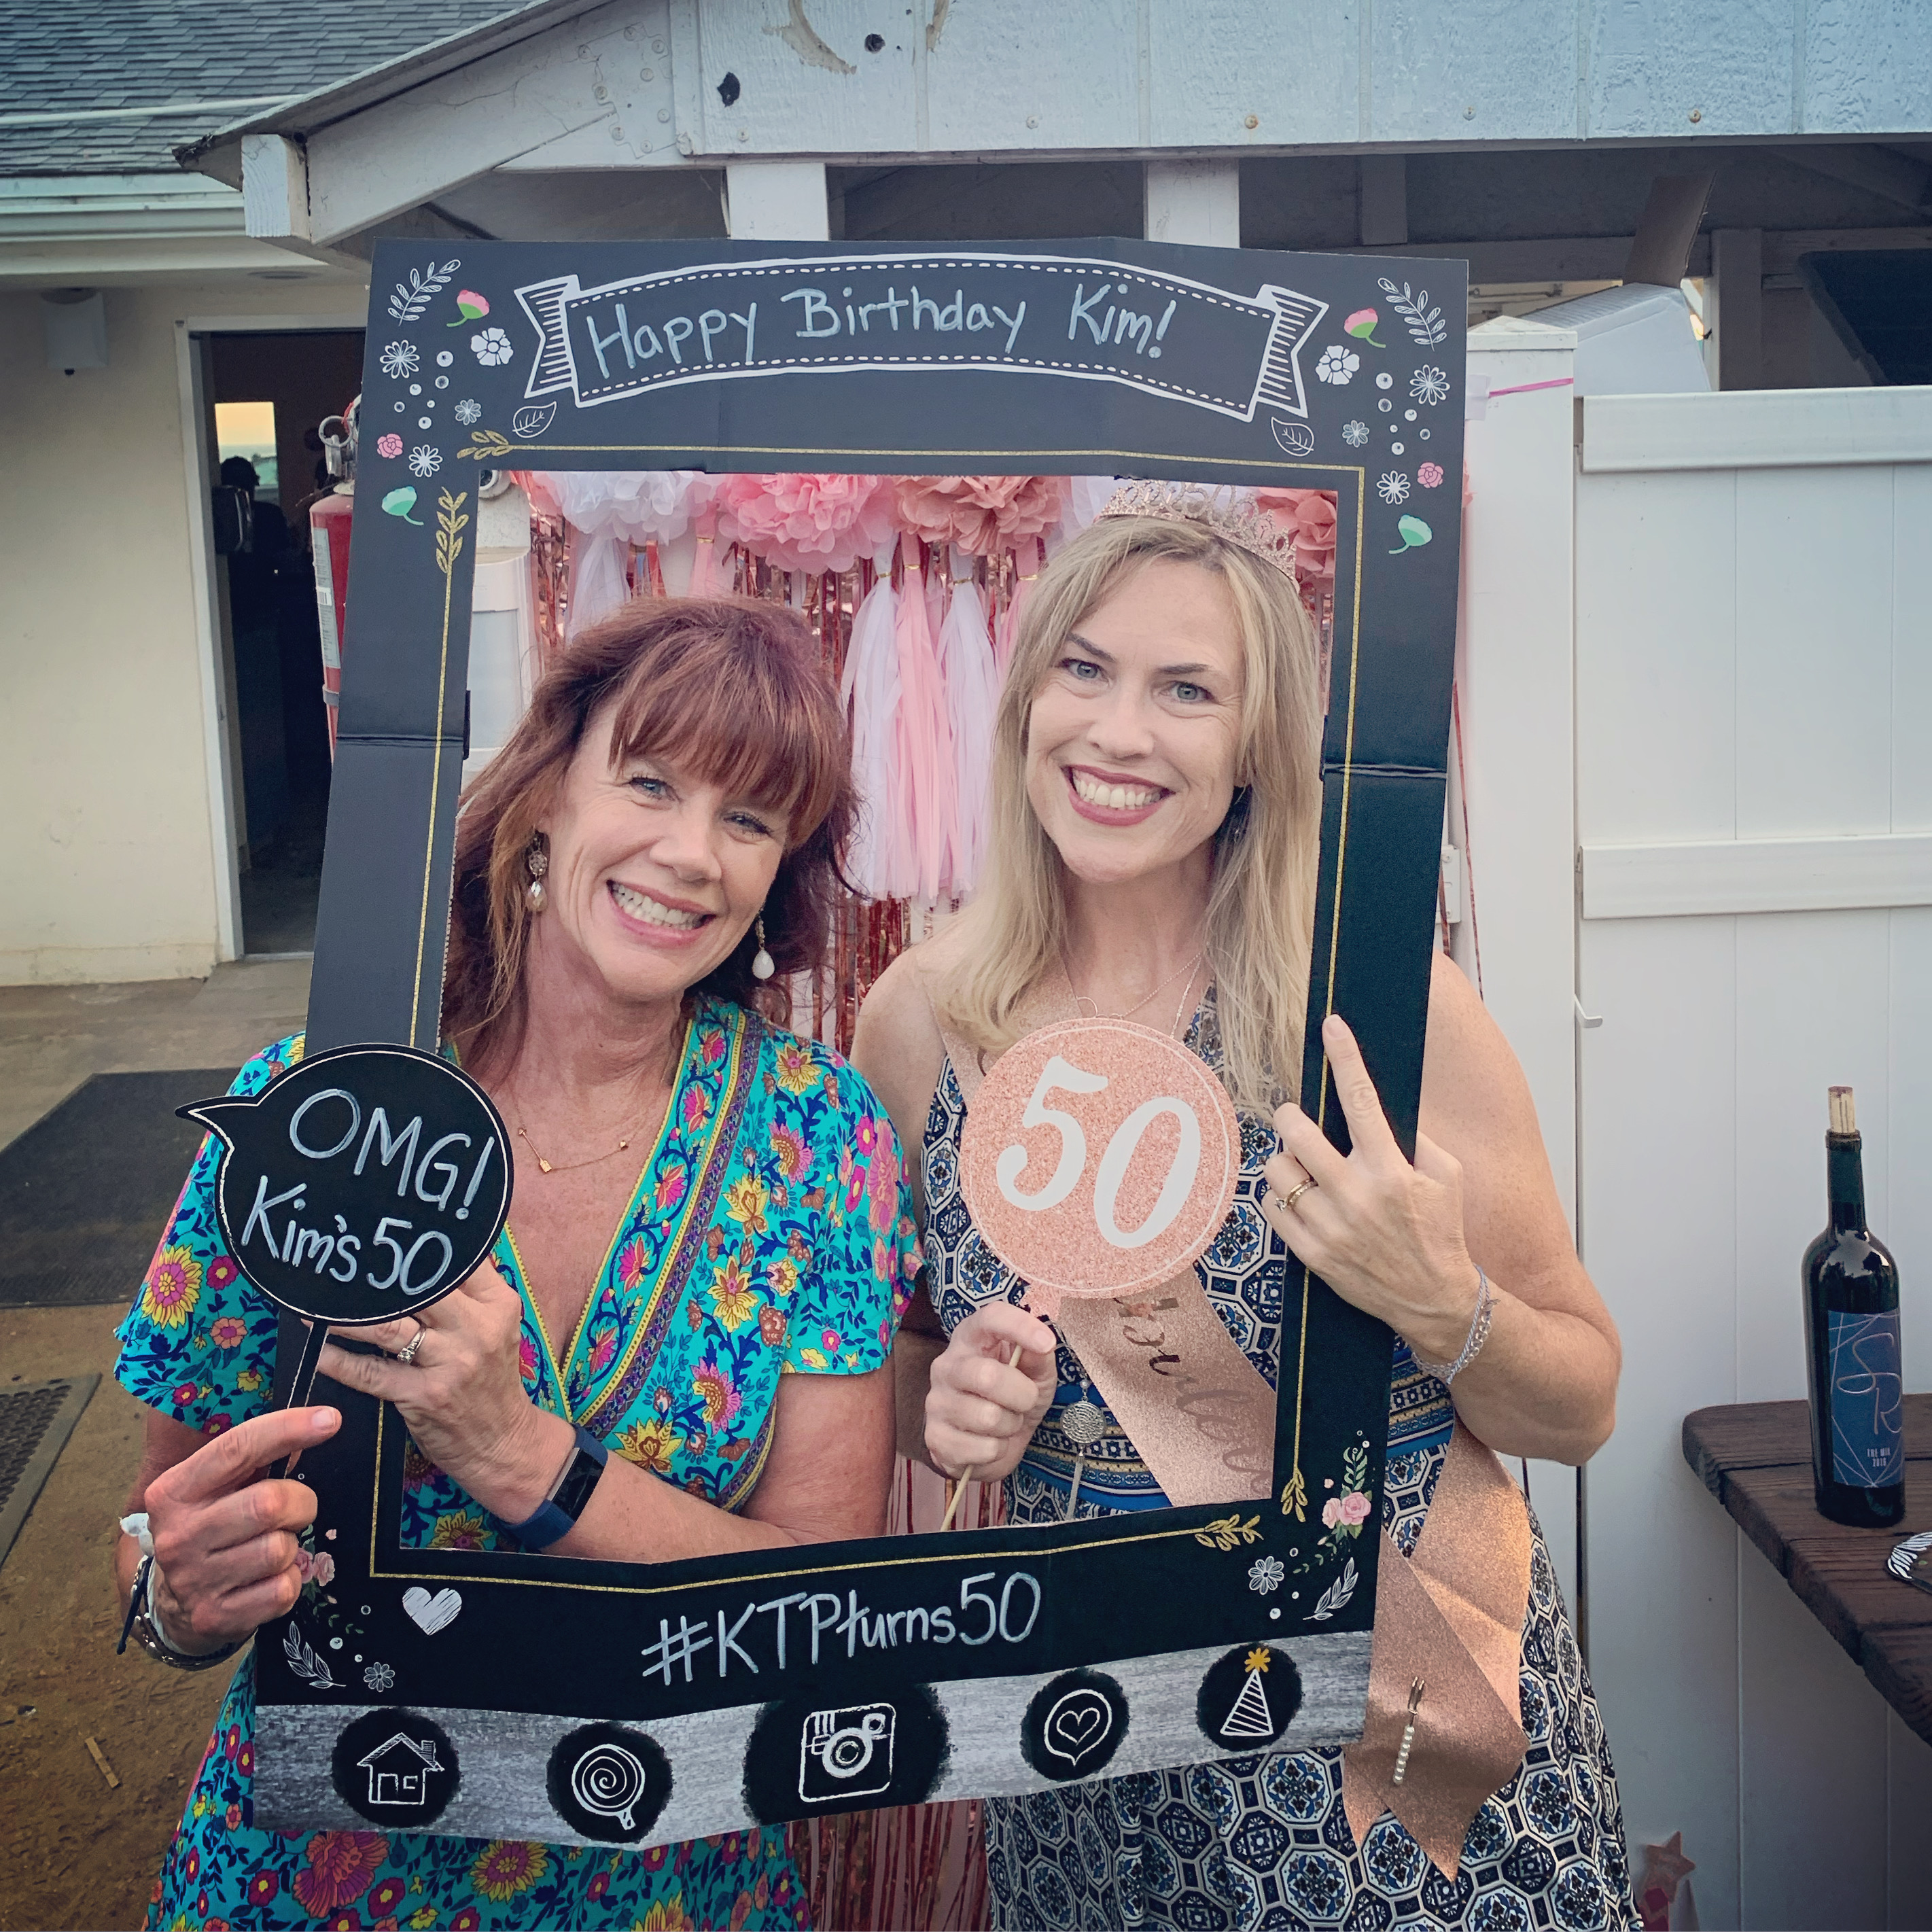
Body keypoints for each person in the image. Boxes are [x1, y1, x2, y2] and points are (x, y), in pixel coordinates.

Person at [855, 487, 1636, 1929]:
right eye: (1084, 668)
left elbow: (1580, 1404)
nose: (1118, 731)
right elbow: (898, 1364)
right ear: (1025, 703)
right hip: (1090, 1730)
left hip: (1386, 1722)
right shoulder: (918, 1023)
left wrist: (1442, 1304)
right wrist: (943, 1406)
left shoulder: (1378, 1004)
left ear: (1258, 746)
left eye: (1187, 690)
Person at [114, 597, 921, 1931]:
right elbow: (159, 1530)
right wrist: (178, 1602)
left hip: (665, 1878)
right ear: (548, 792)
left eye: (749, 818)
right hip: (317, 1868)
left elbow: (814, 1597)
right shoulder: (318, 1107)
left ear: (779, 873)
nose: (690, 854)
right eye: (648, 782)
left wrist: (524, 1460)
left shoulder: (819, 1135)